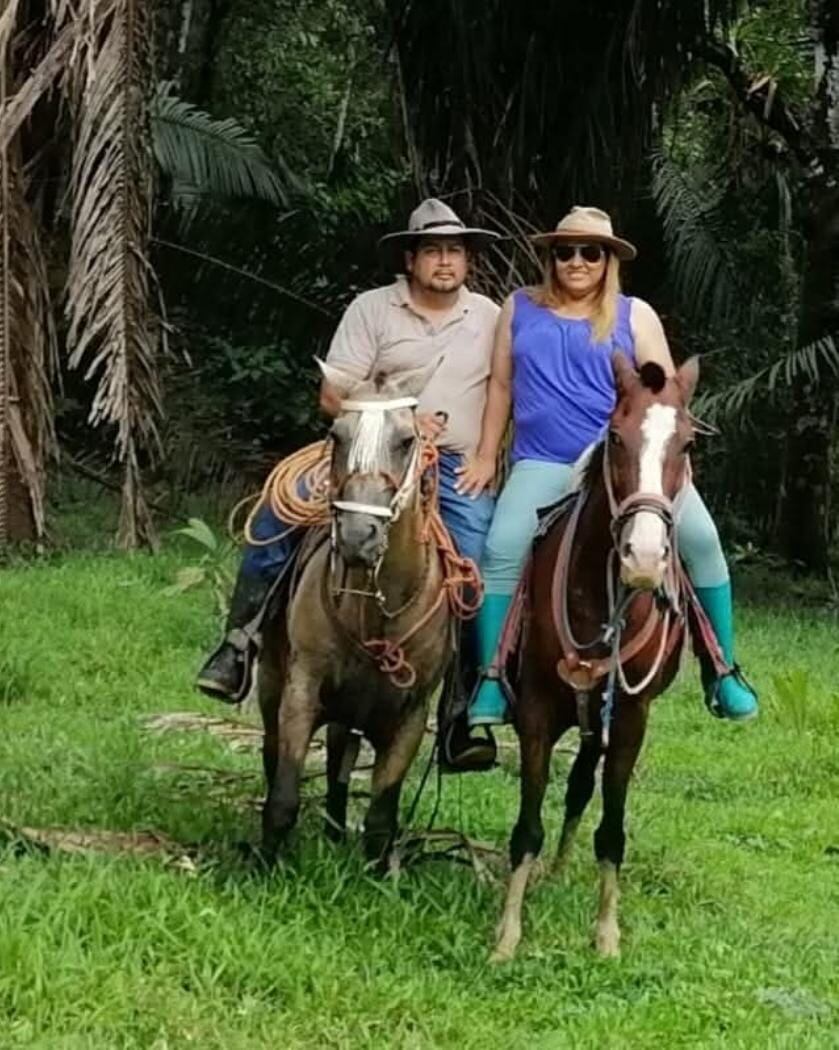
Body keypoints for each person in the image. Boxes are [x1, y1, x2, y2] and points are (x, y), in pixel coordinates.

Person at [450, 205, 758, 760]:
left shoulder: (635, 316)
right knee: (501, 547)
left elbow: (665, 397)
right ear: (550, 257)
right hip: (545, 459)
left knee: (704, 542)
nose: (576, 261)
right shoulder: (518, 308)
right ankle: (493, 678)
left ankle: (723, 668)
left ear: (608, 259)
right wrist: (484, 454)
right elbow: (500, 386)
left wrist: (666, 462)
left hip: (627, 462)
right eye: (564, 251)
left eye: (590, 252)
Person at [195, 199, 500, 710]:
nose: (444, 261)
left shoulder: (490, 316)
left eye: (454, 251)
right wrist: (396, 419)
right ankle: (239, 645)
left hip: (448, 462)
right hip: (365, 451)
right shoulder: (372, 308)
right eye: (431, 251)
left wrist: (488, 455)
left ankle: (463, 699)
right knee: (280, 511)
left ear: (467, 260)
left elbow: (506, 389)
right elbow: (332, 394)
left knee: (474, 555)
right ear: (410, 260)